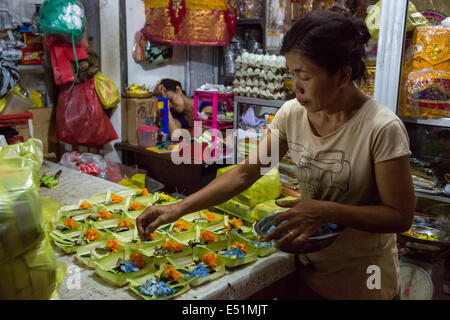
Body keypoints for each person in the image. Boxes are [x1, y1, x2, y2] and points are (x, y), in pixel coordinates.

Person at [137, 10, 415, 300]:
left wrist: (327, 211)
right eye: (292, 73)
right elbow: (245, 174)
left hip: (364, 283)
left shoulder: (381, 128)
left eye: (304, 76)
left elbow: (399, 216)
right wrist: (177, 209)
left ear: (343, 75)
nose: (295, 86)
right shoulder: (292, 114)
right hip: (306, 270)